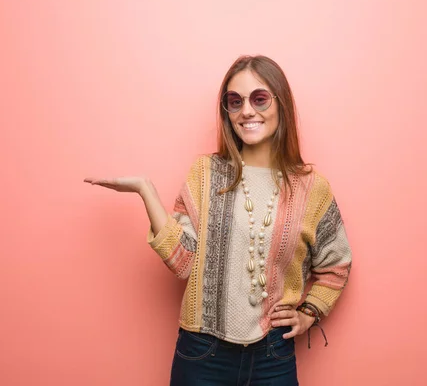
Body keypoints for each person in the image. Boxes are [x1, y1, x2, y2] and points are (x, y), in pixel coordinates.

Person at [84, 55, 352, 385]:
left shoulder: (312, 188)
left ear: (281, 103)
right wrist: (145, 190)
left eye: (259, 98)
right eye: (234, 101)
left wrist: (309, 314)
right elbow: (182, 264)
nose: (247, 111)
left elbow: (337, 265)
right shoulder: (206, 174)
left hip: (273, 356)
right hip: (202, 354)